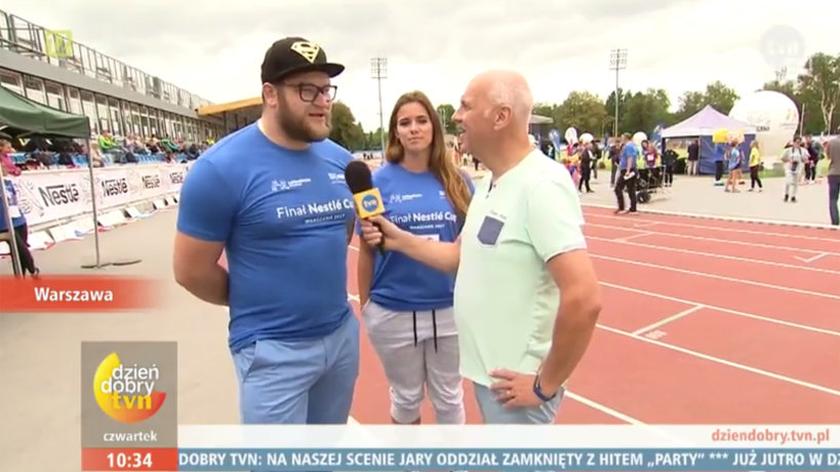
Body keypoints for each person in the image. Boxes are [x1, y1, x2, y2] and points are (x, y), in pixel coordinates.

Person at [359, 70, 602, 425]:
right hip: (492, 376)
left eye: (465, 106)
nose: (456, 116)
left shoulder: (541, 185)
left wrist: (543, 384)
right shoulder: (491, 183)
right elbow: (458, 256)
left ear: (500, 117)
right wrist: (394, 237)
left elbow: (584, 298)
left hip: (517, 384)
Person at [173, 37, 359, 425]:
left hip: (341, 339)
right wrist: (256, 298)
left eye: (326, 89)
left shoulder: (341, 161)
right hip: (273, 350)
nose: (323, 100)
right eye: (307, 89)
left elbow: (341, 232)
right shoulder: (220, 169)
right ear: (270, 94)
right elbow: (190, 270)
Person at [358, 91, 473, 426]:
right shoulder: (375, 183)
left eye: (421, 120)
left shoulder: (459, 181)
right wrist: (367, 306)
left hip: (450, 310)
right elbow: (366, 250)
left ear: (434, 127)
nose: (413, 129)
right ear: (395, 131)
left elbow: (472, 249)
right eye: (404, 122)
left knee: (450, 398)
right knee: (406, 400)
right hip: (393, 310)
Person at [1, 166, 39, 277]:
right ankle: (32, 270)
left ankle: (20, 278)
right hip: (4, 224)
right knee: (19, 249)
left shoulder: (8, 182)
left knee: (19, 251)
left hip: (18, 219)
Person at [615, 133, 638, 214]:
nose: (621, 139)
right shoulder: (633, 146)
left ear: (626, 138)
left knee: (618, 188)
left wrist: (628, 170)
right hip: (630, 169)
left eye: (622, 138)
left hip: (627, 170)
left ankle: (622, 207)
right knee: (631, 189)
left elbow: (630, 158)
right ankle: (633, 208)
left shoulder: (628, 146)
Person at [782, 136, 807, 203]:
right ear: (793, 142)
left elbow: (805, 160)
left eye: (799, 143)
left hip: (798, 168)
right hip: (789, 167)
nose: (797, 144)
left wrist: (803, 160)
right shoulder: (788, 150)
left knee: (796, 183)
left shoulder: (802, 150)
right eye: (796, 142)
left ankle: (793, 196)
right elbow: (782, 158)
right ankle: (786, 194)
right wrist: (790, 160)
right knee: (788, 181)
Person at [827, 135, 840, 226]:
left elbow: (828, 156)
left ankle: (835, 220)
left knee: (833, 199)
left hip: (834, 172)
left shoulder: (831, 142)